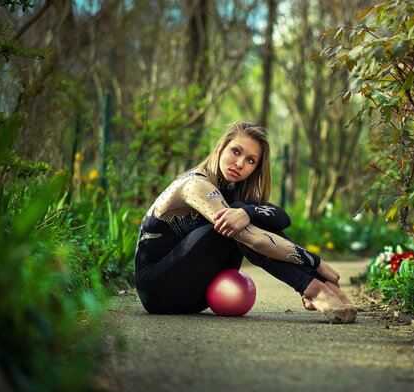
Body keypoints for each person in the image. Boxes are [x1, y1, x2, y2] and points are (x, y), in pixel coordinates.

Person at [134, 121, 357, 323]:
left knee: (242, 215)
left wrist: (249, 211)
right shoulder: (195, 185)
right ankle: (314, 290)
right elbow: (255, 240)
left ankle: (316, 288)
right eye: (236, 151)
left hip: (197, 295)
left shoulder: (230, 190)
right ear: (221, 147)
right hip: (158, 291)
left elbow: (281, 217)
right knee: (232, 226)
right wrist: (316, 263)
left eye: (250, 160)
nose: (240, 163)